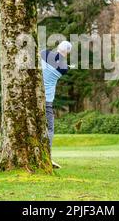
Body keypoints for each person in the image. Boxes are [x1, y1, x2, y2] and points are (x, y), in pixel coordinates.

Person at [41, 41, 72, 169]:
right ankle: (46, 156)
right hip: (47, 100)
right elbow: (62, 64)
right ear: (68, 53)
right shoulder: (64, 68)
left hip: (34, 97)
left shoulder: (44, 53)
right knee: (50, 128)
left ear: (58, 47)